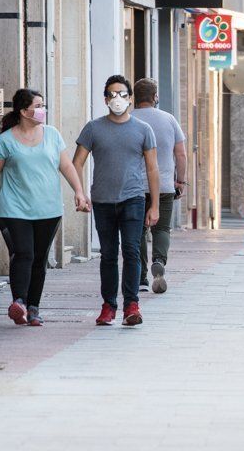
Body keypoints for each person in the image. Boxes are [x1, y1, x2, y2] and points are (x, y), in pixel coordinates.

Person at [0, 89, 90, 327]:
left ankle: (33, 308)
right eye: (38, 105)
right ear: (24, 111)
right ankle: (20, 303)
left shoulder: (52, 135)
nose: (42, 110)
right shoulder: (5, 140)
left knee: (39, 258)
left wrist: (79, 191)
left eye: (43, 105)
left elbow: (66, 166)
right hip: (13, 210)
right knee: (23, 253)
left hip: (48, 209)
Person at [73, 76, 160, 327]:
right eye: (112, 94)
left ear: (131, 98)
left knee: (131, 251)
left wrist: (154, 205)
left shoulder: (143, 130)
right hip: (102, 201)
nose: (117, 99)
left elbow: (152, 169)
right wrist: (80, 192)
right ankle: (108, 306)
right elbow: (76, 162)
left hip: (133, 198)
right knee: (109, 255)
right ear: (105, 99)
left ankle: (131, 305)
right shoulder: (93, 128)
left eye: (122, 94)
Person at [132, 79, 187, 294]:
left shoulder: (128, 119)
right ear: (155, 97)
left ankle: (140, 278)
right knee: (161, 228)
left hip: (135, 187)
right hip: (164, 185)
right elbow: (181, 154)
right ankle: (159, 261)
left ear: (135, 97)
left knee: (136, 231)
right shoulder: (169, 119)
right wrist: (180, 181)